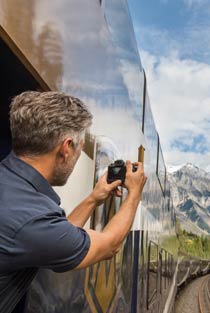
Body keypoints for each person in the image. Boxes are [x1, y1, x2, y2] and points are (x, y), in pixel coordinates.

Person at [0, 91, 147, 313]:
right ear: (66, 148)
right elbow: (109, 245)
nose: (78, 155)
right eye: (79, 147)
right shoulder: (32, 219)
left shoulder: (13, 190)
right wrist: (134, 193)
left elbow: (57, 233)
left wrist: (93, 199)